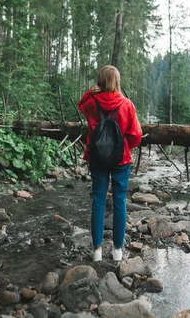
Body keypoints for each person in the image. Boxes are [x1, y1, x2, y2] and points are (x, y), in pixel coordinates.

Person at [78, 65, 142, 262]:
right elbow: (136, 134)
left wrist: (91, 91)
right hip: (121, 160)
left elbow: (81, 105)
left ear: (100, 82)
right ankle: (117, 251)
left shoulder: (92, 103)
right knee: (120, 201)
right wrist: (123, 147)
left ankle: (97, 251)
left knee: (98, 201)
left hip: (97, 158)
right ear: (117, 81)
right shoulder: (127, 104)